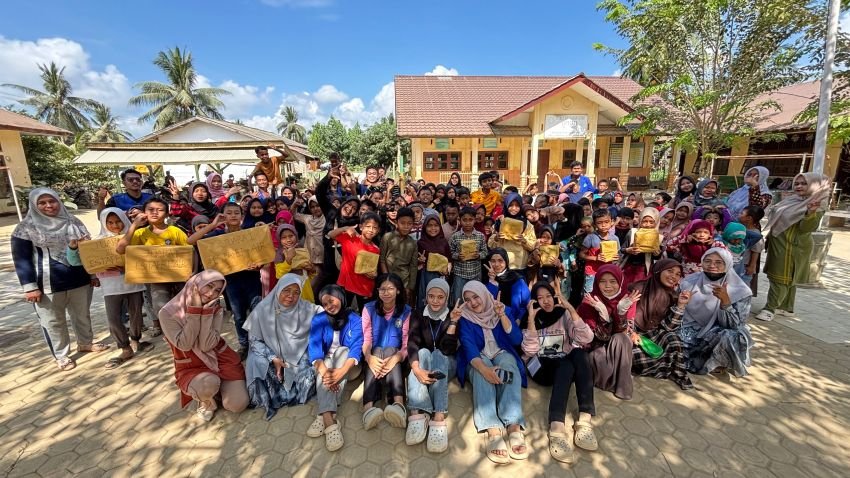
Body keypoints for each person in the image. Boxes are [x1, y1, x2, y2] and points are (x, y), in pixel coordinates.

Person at [12, 188, 109, 371]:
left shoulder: (73, 221)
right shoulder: (25, 228)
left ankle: (85, 343)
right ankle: (61, 355)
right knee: (53, 322)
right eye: (42, 203)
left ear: (59, 201)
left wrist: (92, 274)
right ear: (34, 205)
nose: (49, 206)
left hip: (79, 279)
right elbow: (22, 260)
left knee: (82, 315)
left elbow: (87, 250)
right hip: (47, 284)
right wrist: (30, 287)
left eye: (52, 201)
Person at [67, 208, 153, 368]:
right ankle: (125, 347)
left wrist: (125, 267)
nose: (115, 225)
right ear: (103, 223)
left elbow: (144, 258)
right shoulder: (97, 243)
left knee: (136, 315)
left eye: (118, 221)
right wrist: (73, 248)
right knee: (113, 318)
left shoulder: (135, 237)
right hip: (111, 287)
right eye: (110, 222)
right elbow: (76, 262)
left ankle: (136, 340)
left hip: (134, 283)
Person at [520, 282, 596, 463]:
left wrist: (571, 309)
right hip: (540, 367)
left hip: (563, 364)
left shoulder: (563, 314)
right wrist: (531, 321)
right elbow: (529, 351)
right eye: (540, 298)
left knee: (580, 354)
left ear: (555, 297)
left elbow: (587, 338)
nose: (546, 301)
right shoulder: (529, 318)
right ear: (534, 301)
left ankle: (585, 419)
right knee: (565, 365)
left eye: (548, 296)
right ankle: (556, 427)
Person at [159, 271, 249, 422]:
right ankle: (206, 400)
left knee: (237, 404)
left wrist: (206, 312)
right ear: (195, 285)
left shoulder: (215, 308)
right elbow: (185, 344)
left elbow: (206, 345)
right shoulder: (167, 313)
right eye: (209, 286)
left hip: (221, 359)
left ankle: (219, 389)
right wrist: (195, 311)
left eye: (217, 290)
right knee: (208, 384)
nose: (211, 293)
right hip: (192, 365)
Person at [457, 281, 527, 464]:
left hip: (500, 352)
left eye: (476, 297)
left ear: (484, 294)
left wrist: (502, 315)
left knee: (509, 364)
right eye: (467, 299)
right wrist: (485, 370)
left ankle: (513, 425)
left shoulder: (502, 309)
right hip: (477, 357)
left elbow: (517, 340)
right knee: (482, 372)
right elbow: (469, 347)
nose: (472, 303)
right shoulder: (465, 317)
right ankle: (492, 428)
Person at [188, 204, 264, 357]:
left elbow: (262, 256)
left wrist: (258, 266)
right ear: (223, 216)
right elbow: (190, 241)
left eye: (237, 212)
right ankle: (244, 344)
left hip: (252, 279)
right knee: (239, 315)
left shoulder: (249, 233)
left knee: (257, 312)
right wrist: (213, 224)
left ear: (242, 216)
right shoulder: (217, 234)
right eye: (229, 213)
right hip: (231, 283)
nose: (233, 215)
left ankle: (261, 344)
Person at [243, 274, 321, 419]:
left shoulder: (304, 307)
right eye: (286, 290)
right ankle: (272, 395)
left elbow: (323, 310)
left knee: (309, 360)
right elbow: (254, 341)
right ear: (278, 289)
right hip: (270, 352)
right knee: (257, 361)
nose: (291, 296)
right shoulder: (262, 309)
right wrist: (273, 358)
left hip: (295, 350)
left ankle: (293, 392)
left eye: (296, 292)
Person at [756, 172, 830, 322]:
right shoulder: (793, 199)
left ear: (815, 185)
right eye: (797, 183)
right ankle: (785, 307)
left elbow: (806, 229)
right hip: (779, 243)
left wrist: (810, 213)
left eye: (804, 183)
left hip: (792, 246)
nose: (799, 186)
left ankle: (770, 309)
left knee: (780, 278)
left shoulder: (817, 204)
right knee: (787, 279)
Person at [116, 197, 190, 337]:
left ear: (167, 214)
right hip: (156, 280)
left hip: (180, 278)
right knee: (161, 307)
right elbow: (120, 249)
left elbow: (189, 251)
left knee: (185, 306)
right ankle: (173, 336)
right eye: (150, 210)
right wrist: (134, 225)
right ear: (144, 212)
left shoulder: (175, 231)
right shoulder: (140, 233)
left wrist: (193, 271)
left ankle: (187, 334)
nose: (155, 212)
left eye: (160, 210)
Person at [306, 285, 364, 451]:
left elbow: (356, 349)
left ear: (340, 297)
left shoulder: (355, 319)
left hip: (349, 368)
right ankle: (329, 419)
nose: (329, 306)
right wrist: (326, 374)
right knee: (325, 361)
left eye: (331, 301)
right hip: (326, 367)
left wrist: (339, 373)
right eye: (325, 304)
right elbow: (314, 349)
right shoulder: (319, 320)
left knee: (343, 351)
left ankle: (323, 412)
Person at [405, 278, 460, 452]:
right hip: (424, 362)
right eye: (431, 296)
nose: (435, 301)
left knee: (438, 354)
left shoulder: (453, 314)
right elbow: (412, 342)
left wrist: (453, 322)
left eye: (440, 297)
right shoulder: (418, 313)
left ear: (447, 298)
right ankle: (417, 413)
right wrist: (416, 369)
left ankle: (438, 415)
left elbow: (448, 349)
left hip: (446, 363)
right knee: (421, 352)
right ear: (426, 297)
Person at [679, 248, 754, 376]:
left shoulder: (740, 290)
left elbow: (736, 325)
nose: (712, 265)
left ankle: (718, 362)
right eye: (707, 261)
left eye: (719, 262)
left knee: (732, 336)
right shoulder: (689, 282)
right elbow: (677, 312)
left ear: (728, 264)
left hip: (717, 331)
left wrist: (725, 301)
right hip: (690, 328)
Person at [629, 259, 694, 390]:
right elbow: (623, 314)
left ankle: (677, 374)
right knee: (635, 355)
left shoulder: (672, 295)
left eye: (677, 274)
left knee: (673, 340)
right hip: (632, 332)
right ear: (658, 270)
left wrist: (681, 305)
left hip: (653, 334)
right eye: (670, 271)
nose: (673, 276)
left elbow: (669, 328)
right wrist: (631, 332)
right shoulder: (638, 288)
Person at [361, 274, 412, 430]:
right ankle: (368, 410)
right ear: (377, 291)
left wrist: (396, 358)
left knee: (391, 349)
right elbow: (367, 338)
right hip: (374, 357)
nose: (386, 292)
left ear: (398, 291)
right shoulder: (368, 308)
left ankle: (399, 406)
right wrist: (368, 357)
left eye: (390, 289)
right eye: (382, 289)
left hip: (396, 358)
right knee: (376, 350)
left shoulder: (406, 311)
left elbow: (406, 342)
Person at [577, 265, 635, 400]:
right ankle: (608, 381)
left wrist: (621, 313)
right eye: (602, 281)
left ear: (620, 281)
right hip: (596, 345)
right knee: (601, 359)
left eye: (613, 281)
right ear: (597, 282)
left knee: (622, 339)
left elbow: (625, 331)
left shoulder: (628, 299)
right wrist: (603, 317)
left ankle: (623, 388)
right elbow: (591, 338)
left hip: (617, 345)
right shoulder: (589, 300)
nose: (608, 286)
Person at [328, 212, 382, 310]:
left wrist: (374, 275)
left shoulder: (375, 249)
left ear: (378, 230)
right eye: (368, 226)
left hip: (364, 287)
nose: (371, 230)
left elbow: (372, 269)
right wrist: (345, 228)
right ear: (361, 227)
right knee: (341, 311)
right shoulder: (349, 238)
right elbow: (330, 234)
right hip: (346, 283)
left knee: (364, 314)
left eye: (374, 228)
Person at [488, 193, 537, 274]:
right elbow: (490, 244)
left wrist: (524, 241)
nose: (514, 208)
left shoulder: (526, 224)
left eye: (517, 206)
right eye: (511, 205)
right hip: (501, 264)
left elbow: (532, 246)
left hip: (519, 265)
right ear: (506, 205)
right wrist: (496, 238)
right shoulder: (499, 222)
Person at [449, 207, 488, 304]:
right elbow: (450, 252)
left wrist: (478, 255)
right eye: (464, 220)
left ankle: (473, 313)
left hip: (475, 273)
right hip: (459, 273)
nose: (467, 223)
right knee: (459, 298)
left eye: (470, 220)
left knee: (475, 297)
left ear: (475, 220)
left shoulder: (480, 236)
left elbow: (485, 252)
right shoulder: (455, 236)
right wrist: (457, 256)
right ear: (460, 220)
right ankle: (458, 312)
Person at [379, 207, 418, 303]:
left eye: (409, 223)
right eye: (402, 223)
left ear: (413, 224)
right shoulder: (387, 237)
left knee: (402, 305)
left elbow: (413, 266)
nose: (406, 226)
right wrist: (387, 279)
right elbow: (382, 260)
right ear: (396, 222)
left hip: (404, 281)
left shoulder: (413, 243)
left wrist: (410, 287)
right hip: (388, 278)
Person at [484, 248, 530, 323]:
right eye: (493, 261)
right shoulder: (486, 280)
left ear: (506, 261)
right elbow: (487, 303)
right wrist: (491, 281)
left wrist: (519, 319)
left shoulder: (517, 279)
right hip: (493, 323)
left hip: (514, 321)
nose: (496, 264)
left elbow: (526, 303)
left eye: (500, 260)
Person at [417, 214, 452, 311]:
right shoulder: (421, 243)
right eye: (429, 225)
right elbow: (415, 262)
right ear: (425, 227)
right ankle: (424, 318)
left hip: (441, 276)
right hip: (425, 276)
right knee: (426, 298)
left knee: (440, 299)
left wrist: (447, 270)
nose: (433, 228)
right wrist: (419, 260)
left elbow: (449, 260)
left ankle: (440, 318)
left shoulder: (443, 242)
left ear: (440, 227)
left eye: (436, 225)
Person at [579, 209, 620, 293]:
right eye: (599, 223)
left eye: (606, 222)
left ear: (612, 222)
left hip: (607, 271)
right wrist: (595, 258)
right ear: (594, 224)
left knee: (604, 293)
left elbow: (618, 254)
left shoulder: (615, 238)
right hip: (592, 272)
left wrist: (616, 257)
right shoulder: (590, 237)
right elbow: (581, 254)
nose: (603, 225)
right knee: (589, 293)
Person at [620, 208, 663, 285]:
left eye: (651, 222)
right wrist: (629, 250)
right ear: (640, 221)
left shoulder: (658, 237)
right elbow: (622, 249)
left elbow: (657, 257)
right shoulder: (633, 233)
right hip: (630, 268)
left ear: (656, 222)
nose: (648, 225)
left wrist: (657, 253)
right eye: (645, 221)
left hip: (645, 270)